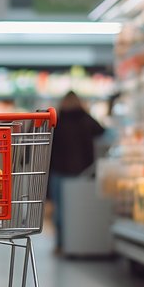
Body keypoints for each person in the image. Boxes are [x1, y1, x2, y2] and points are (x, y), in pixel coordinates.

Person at [49, 91, 105, 254]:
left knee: (59, 210)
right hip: (81, 173)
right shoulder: (85, 119)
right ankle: (77, 242)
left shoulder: (57, 120)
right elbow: (102, 132)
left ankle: (60, 244)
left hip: (59, 171)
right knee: (78, 210)